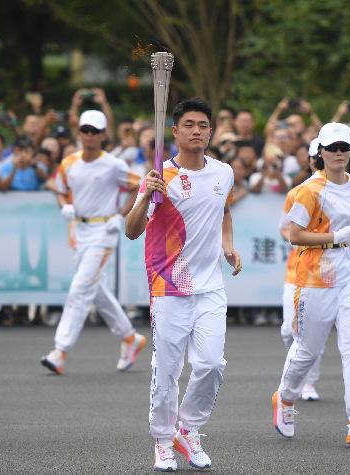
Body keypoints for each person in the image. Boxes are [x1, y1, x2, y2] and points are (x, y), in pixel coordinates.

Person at [124, 98, 242, 472]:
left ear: (211, 131)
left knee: (211, 364)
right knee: (168, 369)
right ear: (174, 132)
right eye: (188, 124)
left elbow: (223, 211)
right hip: (169, 284)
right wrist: (145, 195)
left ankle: (188, 429)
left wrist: (228, 246)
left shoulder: (224, 173)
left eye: (203, 125)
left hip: (210, 286)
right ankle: (162, 441)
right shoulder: (161, 177)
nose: (196, 131)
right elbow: (131, 231)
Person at [272, 122, 350, 446]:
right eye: (331, 148)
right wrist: (335, 239)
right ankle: (286, 399)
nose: (337, 153)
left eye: (343, 148)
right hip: (315, 279)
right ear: (320, 151)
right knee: (306, 349)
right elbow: (293, 235)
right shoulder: (309, 190)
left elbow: (349, 224)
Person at [40, 110, 146, 375]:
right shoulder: (69, 163)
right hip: (79, 231)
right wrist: (64, 205)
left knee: (79, 288)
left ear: (103, 135)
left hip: (104, 232)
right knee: (94, 290)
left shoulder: (113, 165)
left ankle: (59, 351)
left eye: (95, 131)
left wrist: (120, 216)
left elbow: (139, 186)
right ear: (79, 132)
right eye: (85, 130)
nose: (89, 135)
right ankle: (130, 338)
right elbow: (59, 188)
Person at [279, 138, 323, 401]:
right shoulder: (297, 192)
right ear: (309, 160)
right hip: (296, 270)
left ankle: (309, 382)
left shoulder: (344, 190)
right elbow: (285, 227)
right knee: (289, 330)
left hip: (323, 273)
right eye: (316, 157)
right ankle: (300, 373)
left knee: (312, 330)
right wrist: (299, 236)